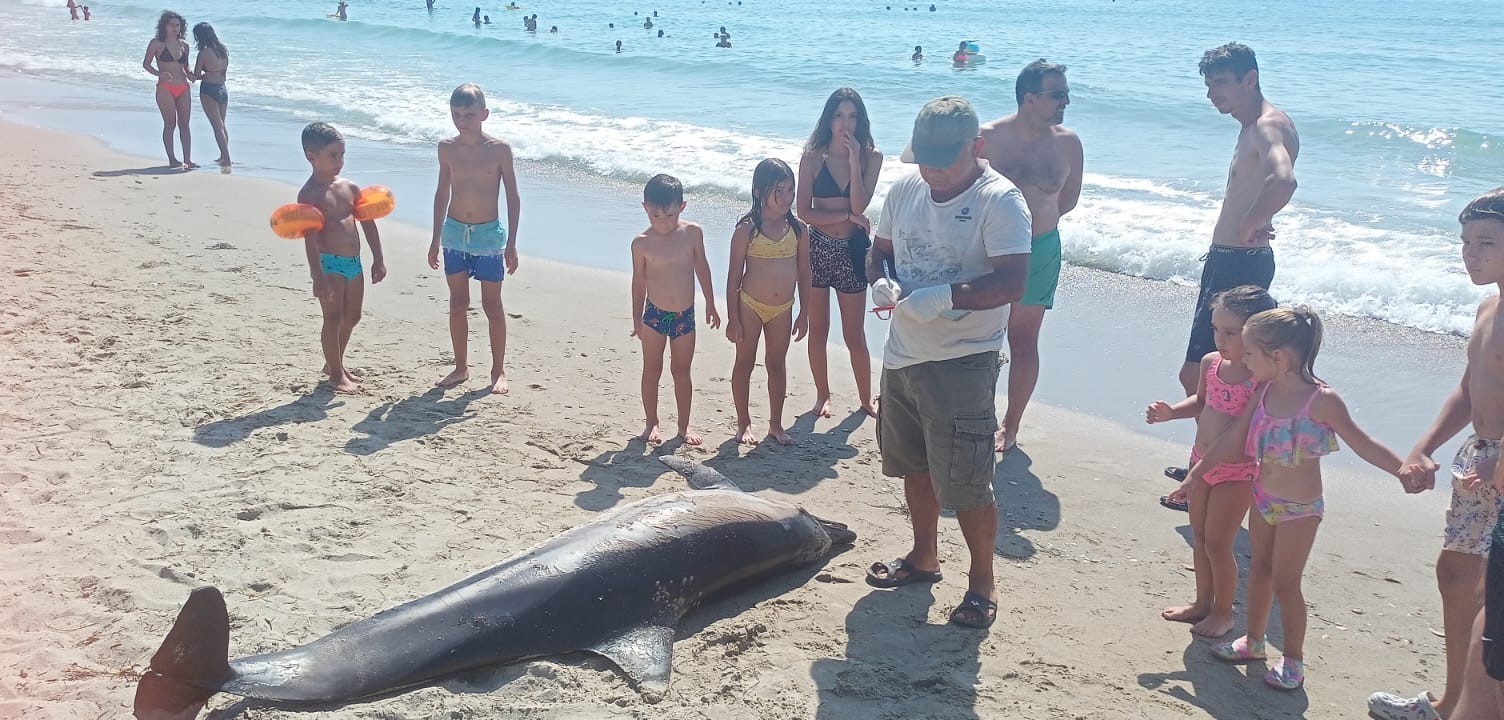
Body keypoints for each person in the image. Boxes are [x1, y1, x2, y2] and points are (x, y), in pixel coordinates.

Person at [862, 96, 1032, 631]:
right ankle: (923, 556)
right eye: (924, 159)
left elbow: (1011, 282)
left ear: (976, 147)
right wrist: (881, 279)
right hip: (903, 353)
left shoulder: (1001, 201)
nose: (931, 171)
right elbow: (878, 251)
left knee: (967, 481)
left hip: (964, 359)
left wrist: (947, 296)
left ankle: (983, 582)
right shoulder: (906, 188)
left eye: (943, 160)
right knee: (913, 464)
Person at [1193, 307, 1424, 690]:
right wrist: (1196, 475)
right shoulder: (1264, 390)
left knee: (1286, 583)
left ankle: (1293, 660)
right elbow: (1234, 439)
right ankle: (1253, 641)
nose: (1245, 361)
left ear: (1278, 357)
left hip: (1300, 510)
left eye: (1250, 354)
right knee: (1260, 573)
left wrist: (1402, 469)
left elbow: (1363, 442)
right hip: (1264, 498)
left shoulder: (1322, 400)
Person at [1369, 188, 1504, 720]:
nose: (1470, 254)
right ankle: (1451, 702)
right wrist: (1425, 447)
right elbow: (1470, 390)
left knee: (1493, 599)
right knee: (1456, 575)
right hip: (1480, 458)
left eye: (1486, 243)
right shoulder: (1489, 304)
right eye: (1465, 242)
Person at [1149, 286, 1276, 637]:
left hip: (1237, 471)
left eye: (1231, 333)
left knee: (1220, 543)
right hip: (1200, 460)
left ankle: (1224, 612)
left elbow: (1243, 432)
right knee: (1201, 537)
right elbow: (1202, 403)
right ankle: (1202, 603)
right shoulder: (1211, 363)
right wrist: (1172, 412)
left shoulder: (1260, 380)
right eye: (1216, 329)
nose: (1220, 338)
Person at [1176, 43, 1298, 401]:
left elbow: (1284, 179)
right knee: (1219, 370)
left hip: (1239, 263)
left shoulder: (1266, 125)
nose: (1213, 94)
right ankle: (1218, 454)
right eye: (1209, 85)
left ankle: (1221, 455)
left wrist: (1253, 218)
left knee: (1206, 370)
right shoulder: (1250, 127)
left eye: (1221, 83)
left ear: (1250, 79)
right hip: (1232, 260)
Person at [979, 59, 1083, 454]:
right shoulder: (987, 137)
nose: (1066, 101)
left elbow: (1067, 201)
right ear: (1030, 98)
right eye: (1058, 94)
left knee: (1023, 339)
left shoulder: (1068, 142)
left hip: (1039, 247)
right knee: (977, 335)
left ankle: (1012, 425)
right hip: (988, 249)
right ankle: (975, 413)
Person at [429, 84, 522, 394]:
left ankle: (498, 370)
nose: (462, 121)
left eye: (468, 115)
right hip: (454, 234)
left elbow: (512, 196)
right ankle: (460, 367)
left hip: (487, 237)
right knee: (457, 303)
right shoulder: (446, 147)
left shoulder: (498, 150)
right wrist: (434, 237)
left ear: (484, 114)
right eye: (456, 115)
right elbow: (442, 192)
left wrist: (511, 243)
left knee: (492, 305)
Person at [796, 88, 883, 419]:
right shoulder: (813, 157)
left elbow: (861, 205)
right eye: (838, 116)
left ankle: (865, 398)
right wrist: (845, 216)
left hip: (851, 252)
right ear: (828, 118)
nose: (845, 124)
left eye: (852, 116)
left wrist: (853, 160)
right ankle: (823, 396)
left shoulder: (871, 157)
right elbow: (805, 211)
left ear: (860, 120)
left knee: (853, 334)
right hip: (816, 248)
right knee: (818, 329)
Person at [297, 123, 388, 394]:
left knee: (353, 316)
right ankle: (336, 375)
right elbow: (310, 239)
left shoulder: (350, 188)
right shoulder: (310, 194)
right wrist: (317, 277)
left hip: (354, 263)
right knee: (333, 318)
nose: (339, 161)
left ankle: (334, 362)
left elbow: (368, 224)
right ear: (311, 156)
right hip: (329, 264)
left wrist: (378, 258)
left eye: (342, 154)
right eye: (333, 155)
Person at [631, 174, 721, 445]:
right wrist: (636, 317)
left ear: (682, 207)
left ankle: (683, 426)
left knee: (682, 372)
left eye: (669, 215)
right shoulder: (641, 243)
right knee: (651, 370)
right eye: (656, 216)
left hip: (685, 315)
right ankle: (652, 423)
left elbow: (702, 268)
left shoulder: (692, 233)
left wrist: (711, 303)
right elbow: (639, 282)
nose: (663, 222)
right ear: (645, 207)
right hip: (654, 315)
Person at [727, 158, 811, 446]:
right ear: (760, 191)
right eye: (780, 190)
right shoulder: (747, 229)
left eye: (791, 190)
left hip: (783, 309)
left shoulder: (799, 229)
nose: (787, 197)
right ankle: (743, 423)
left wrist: (805, 313)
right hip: (749, 305)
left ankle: (775, 424)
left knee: (777, 364)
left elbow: (804, 273)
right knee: (745, 363)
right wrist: (732, 318)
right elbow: (733, 277)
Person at [142, 11, 195, 169]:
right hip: (165, 88)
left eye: (178, 25)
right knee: (170, 124)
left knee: (185, 124)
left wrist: (191, 74)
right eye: (171, 24)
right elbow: (146, 64)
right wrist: (160, 74)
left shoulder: (184, 45)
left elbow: (185, 68)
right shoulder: (156, 43)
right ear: (164, 25)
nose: (175, 28)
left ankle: (188, 159)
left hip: (183, 87)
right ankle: (172, 159)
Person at [190, 22, 231, 167]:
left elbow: (194, 76)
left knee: (216, 126)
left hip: (209, 89)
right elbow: (222, 74)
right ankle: (223, 155)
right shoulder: (223, 50)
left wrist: (186, 72)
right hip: (222, 88)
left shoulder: (204, 53)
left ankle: (226, 159)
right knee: (222, 125)